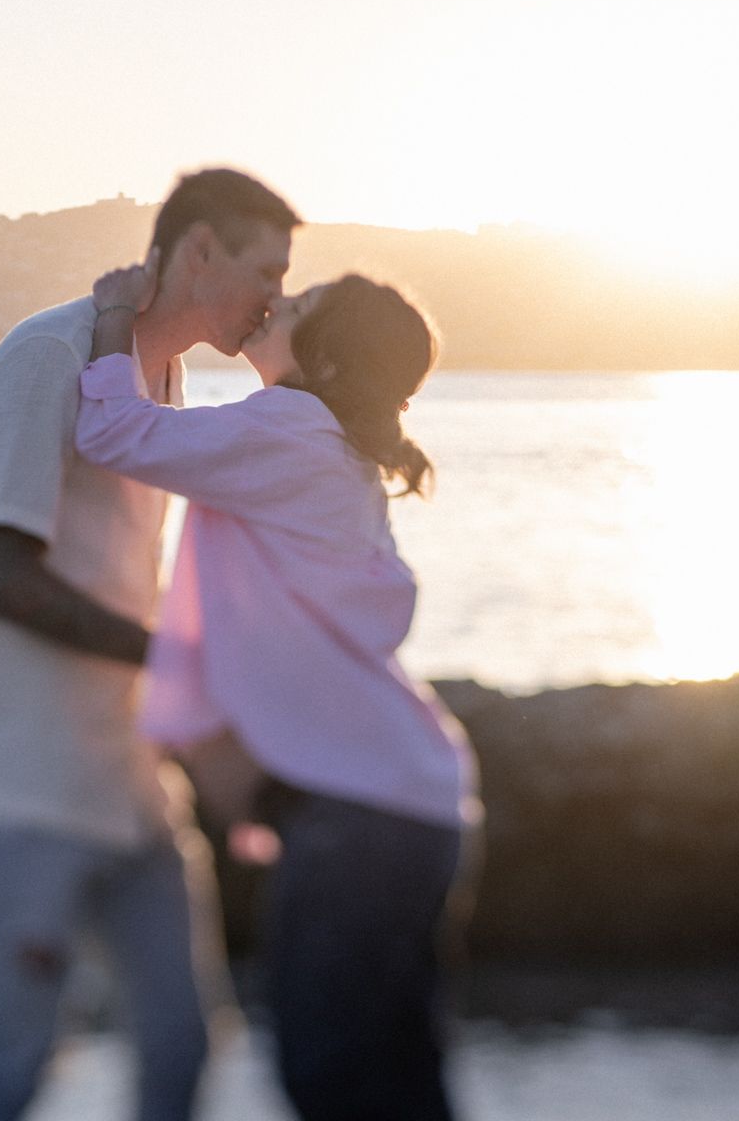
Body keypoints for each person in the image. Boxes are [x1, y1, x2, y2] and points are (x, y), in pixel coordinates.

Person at [0, 168, 301, 1121]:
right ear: (197, 252)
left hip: (128, 785)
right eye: (266, 272)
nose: (274, 299)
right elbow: (6, 581)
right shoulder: (46, 356)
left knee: (184, 1044)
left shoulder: (158, 378)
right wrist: (181, 661)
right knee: (16, 1072)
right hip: (17, 790)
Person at [76, 259, 481, 1121]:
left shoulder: (289, 430)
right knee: (398, 1071)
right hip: (413, 807)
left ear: (328, 362)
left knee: (327, 1071)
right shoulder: (332, 451)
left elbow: (115, 434)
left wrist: (114, 316)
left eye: (299, 306)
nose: (275, 301)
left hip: (361, 819)